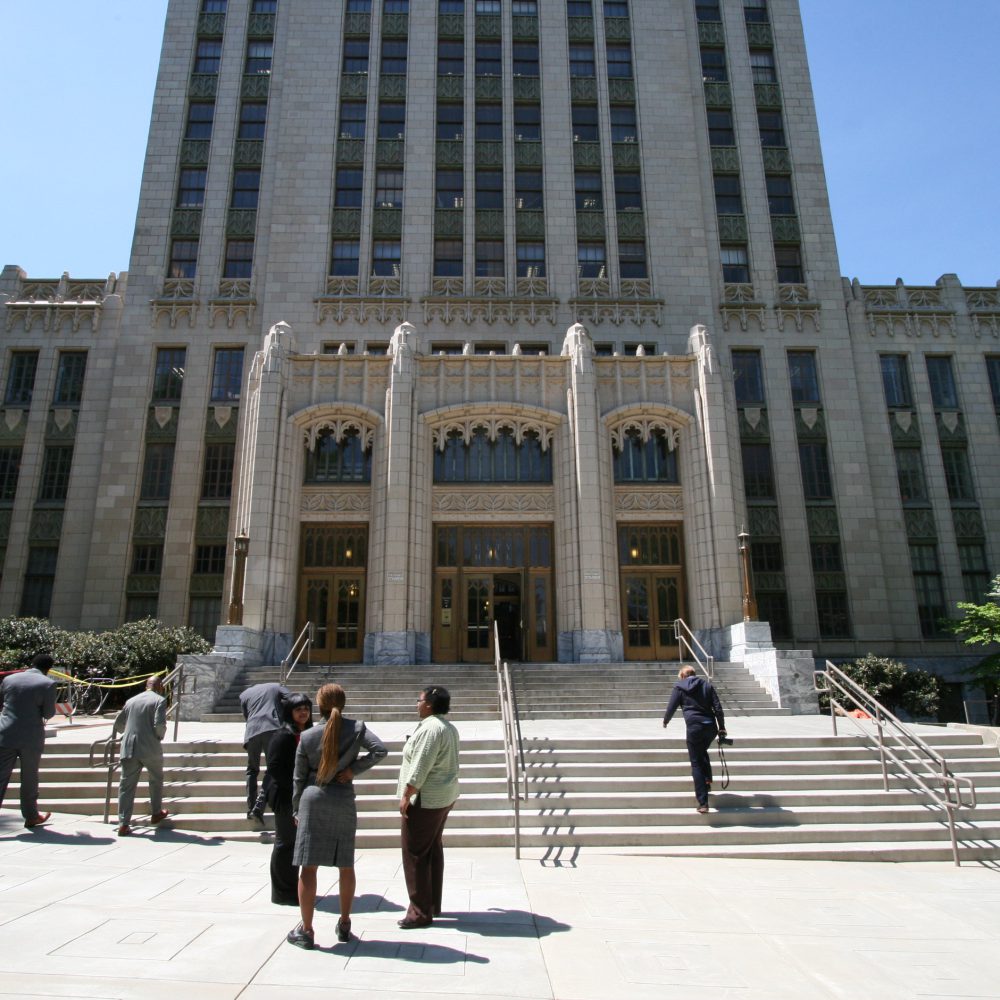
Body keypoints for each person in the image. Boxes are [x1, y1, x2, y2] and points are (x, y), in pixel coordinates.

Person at [286, 683, 387, 950]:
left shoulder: (307, 736)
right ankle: (344, 924)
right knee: (346, 864)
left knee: (308, 868)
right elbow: (380, 750)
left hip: (313, 797)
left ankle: (306, 930)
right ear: (343, 703)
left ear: (318, 705)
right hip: (342, 797)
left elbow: (297, 778)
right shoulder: (356, 729)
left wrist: (296, 808)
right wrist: (354, 770)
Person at [396, 685, 460, 929]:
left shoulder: (431, 730)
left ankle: (420, 912)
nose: (417, 704)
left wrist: (407, 794)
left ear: (430, 705)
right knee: (432, 849)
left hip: (425, 800)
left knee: (415, 854)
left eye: (419, 700)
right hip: (444, 797)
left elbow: (420, 766)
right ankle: (432, 903)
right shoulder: (448, 727)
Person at [265, 692, 313, 906]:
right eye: (298, 709)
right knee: (286, 842)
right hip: (285, 796)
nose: (303, 713)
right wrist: (295, 788)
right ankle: (283, 893)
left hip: (300, 795)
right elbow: (274, 768)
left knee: (295, 843)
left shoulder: (309, 733)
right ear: (289, 712)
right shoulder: (282, 735)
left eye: (306, 709)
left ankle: (294, 888)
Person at [0, 653, 57, 829]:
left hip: (5, 733)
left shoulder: (10, 679)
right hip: (31, 737)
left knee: (1, 775)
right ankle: (31, 816)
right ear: (48, 669)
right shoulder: (48, 684)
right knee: (29, 777)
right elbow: (48, 713)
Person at [662, 665, 727, 814]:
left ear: (682, 676)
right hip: (710, 727)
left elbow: (672, 706)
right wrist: (721, 727)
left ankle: (703, 802)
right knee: (701, 750)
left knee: (696, 762)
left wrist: (666, 720)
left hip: (694, 727)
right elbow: (718, 707)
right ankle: (707, 780)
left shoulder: (679, 687)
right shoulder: (707, 685)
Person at [113, 676, 170, 836]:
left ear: (147, 685)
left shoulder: (131, 700)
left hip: (129, 747)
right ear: (160, 686)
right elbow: (159, 725)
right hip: (150, 747)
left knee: (126, 786)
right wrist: (159, 736)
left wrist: (129, 732)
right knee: (156, 779)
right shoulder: (159, 700)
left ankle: (123, 823)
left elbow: (118, 724)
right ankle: (156, 812)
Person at [239, 681, 289, 823]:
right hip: (271, 728)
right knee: (273, 768)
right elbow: (292, 699)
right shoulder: (277, 687)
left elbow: (246, 714)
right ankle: (259, 805)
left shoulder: (245, 694)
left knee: (252, 770)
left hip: (252, 731)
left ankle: (251, 807)